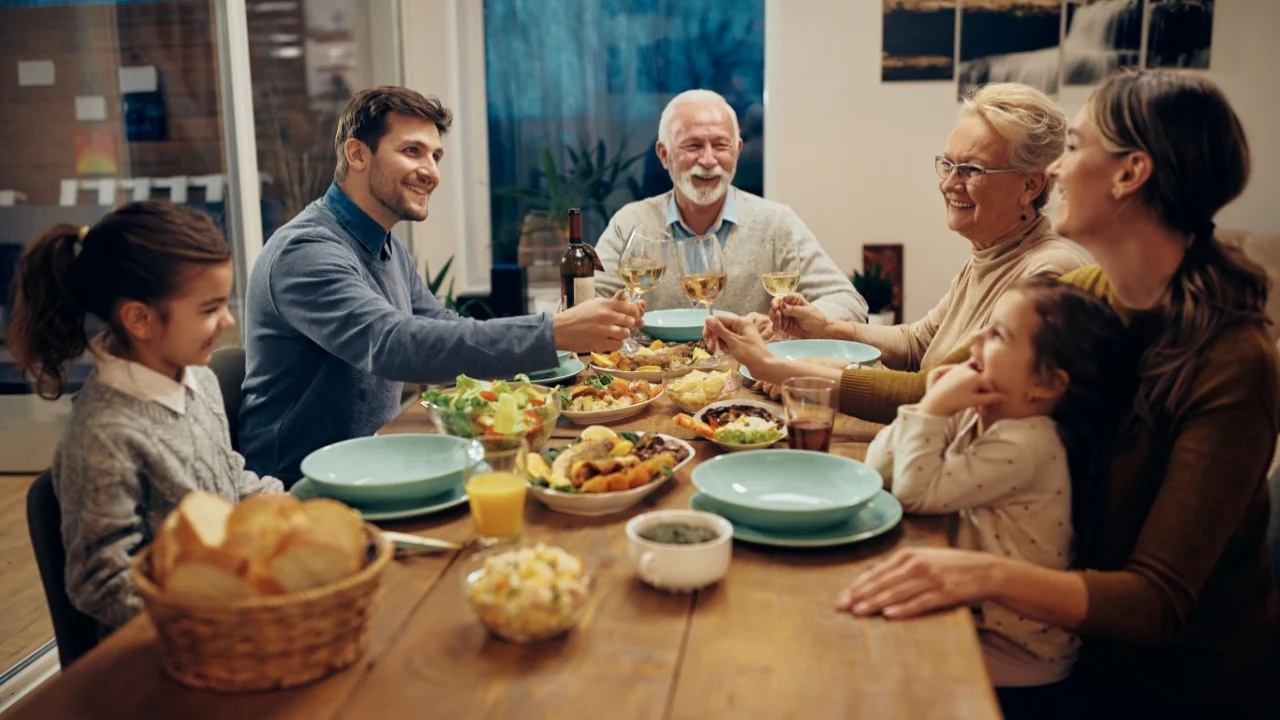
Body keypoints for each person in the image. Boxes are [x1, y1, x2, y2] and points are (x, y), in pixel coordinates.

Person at [835, 71, 1280, 718]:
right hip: (1047, 632)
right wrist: (790, 376)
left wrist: (979, 574)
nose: (1057, 173)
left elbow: (1156, 603)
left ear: (1130, 174)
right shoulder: (1084, 299)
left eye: (1072, 148)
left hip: (1162, 685)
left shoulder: (1234, 362)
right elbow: (945, 380)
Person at [239, 86, 642, 482]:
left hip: (379, 462)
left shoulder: (385, 243)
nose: (431, 171)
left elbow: (441, 325)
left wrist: (555, 332)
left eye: (435, 156)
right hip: (300, 491)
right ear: (358, 153)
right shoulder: (306, 251)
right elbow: (394, 343)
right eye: (412, 151)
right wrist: (554, 332)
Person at [5, 201, 283, 637]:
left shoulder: (200, 381)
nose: (228, 320)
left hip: (241, 611)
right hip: (174, 645)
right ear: (139, 319)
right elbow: (100, 585)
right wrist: (211, 612)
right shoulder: (104, 435)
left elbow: (229, 477)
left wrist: (289, 509)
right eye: (210, 309)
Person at [865, 277, 1127, 703]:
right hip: (978, 620)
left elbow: (913, 493)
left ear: (1046, 384)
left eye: (998, 334)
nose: (977, 337)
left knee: (880, 664)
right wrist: (932, 405)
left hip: (1021, 657)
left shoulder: (1031, 444)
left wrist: (932, 411)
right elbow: (880, 472)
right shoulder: (980, 411)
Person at [741, 83, 1088, 395]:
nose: (949, 184)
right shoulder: (989, 253)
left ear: (1031, 185)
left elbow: (945, 390)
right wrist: (826, 327)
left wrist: (817, 374)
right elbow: (917, 342)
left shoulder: (1047, 273)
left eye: (971, 169)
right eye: (948, 165)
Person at [593, 89, 866, 336]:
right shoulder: (630, 223)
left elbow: (849, 303)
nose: (709, 160)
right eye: (694, 146)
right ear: (664, 155)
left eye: (721, 146)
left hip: (748, 382)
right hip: (650, 383)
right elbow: (579, 306)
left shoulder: (777, 223)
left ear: (737, 151)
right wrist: (612, 314)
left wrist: (783, 323)